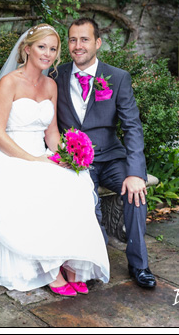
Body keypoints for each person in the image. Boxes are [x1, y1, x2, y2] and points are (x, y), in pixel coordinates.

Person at [0, 23, 110, 296]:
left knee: (77, 182)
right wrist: (33, 160)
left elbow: (52, 134)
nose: (47, 53)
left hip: (41, 153)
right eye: (41, 47)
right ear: (27, 49)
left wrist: (68, 158)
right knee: (40, 184)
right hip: (8, 155)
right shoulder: (9, 82)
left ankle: (72, 262)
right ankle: (50, 270)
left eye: (53, 48)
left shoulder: (50, 85)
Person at [53, 17, 156, 289]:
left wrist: (135, 172)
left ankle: (139, 265)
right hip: (75, 163)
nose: (78, 46)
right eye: (73, 40)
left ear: (97, 42)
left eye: (84, 39)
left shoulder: (118, 78)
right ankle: (95, 263)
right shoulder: (56, 76)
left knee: (136, 194)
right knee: (89, 204)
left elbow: (132, 127)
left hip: (112, 158)